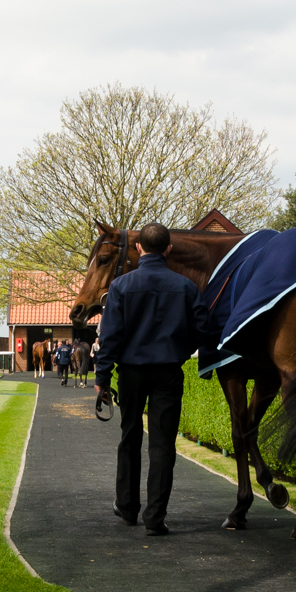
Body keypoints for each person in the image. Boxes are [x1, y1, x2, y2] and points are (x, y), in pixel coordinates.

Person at [93, 222, 202, 536]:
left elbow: (110, 336)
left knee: (130, 436)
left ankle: (127, 509)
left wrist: (102, 378)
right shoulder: (186, 287)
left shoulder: (121, 287)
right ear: (168, 249)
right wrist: (182, 349)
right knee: (163, 444)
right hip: (168, 371)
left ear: (138, 248)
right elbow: (203, 329)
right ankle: (155, 517)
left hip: (131, 371)